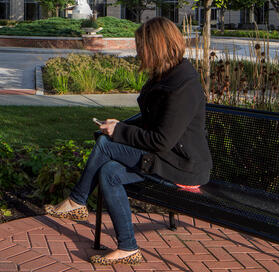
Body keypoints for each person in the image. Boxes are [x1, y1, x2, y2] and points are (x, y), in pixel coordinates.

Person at [45, 17, 213, 265]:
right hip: (165, 156)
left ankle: (77, 201)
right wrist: (120, 125)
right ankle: (128, 248)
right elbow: (151, 122)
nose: (137, 51)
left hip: (183, 165)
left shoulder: (183, 85)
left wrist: (119, 131)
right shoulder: (164, 75)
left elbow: (161, 140)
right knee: (109, 172)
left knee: (105, 145)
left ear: (156, 47)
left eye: (140, 46)